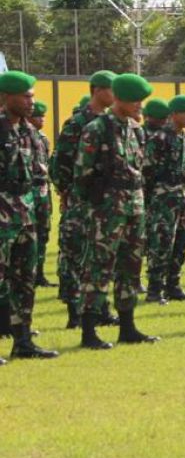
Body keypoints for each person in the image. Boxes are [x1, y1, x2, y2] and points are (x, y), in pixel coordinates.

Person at [75, 73, 158, 349]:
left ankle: (127, 326)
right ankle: (89, 330)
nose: (139, 106)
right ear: (119, 98)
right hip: (106, 209)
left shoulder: (136, 130)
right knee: (98, 267)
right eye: (135, 100)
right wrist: (96, 204)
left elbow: (141, 168)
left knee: (131, 266)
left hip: (134, 205)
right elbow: (82, 173)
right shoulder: (97, 128)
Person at [0, 70, 59, 361]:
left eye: (32, 96)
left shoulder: (31, 133)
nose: (30, 102)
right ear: (5, 98)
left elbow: (38, 174)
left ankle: (22, 341)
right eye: (25, 96)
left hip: (25, 214)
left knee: (24, 279)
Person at [51, 69, 116, 328]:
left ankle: (99, 308)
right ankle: (74, 312)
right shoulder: (77, 123)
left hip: (103, 202)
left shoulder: (111, 123)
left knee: (100, 256)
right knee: (74, 254)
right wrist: (68, 192)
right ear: (97, 90)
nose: (115, 95)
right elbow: (61, 162)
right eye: (111, 89)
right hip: (80, 201)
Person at [144, 94, 185, 304]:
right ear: (174, 115)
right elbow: (147, 172)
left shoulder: (184, 139)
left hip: (180, 197)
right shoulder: (159, 139)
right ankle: (154, 289)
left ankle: (173, 285)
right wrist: (150, 203)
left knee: (182, 242)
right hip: (161, 199)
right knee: (161, 243)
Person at [28, 100, 53, 288]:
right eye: (38, 116)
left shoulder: (43, 138)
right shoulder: (21, 135)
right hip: (27, 191)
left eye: (43, 116)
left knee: (43, 233)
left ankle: (40, 273)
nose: (42, 119)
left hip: (43, 189)